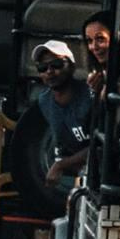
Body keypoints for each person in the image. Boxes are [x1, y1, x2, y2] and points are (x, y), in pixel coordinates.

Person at [30, 39, 94, 184]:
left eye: (56, 64)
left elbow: (100, 147)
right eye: (42, 67)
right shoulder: (44, 101)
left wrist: (61, 165)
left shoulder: (90, 96)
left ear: (71, 66)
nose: (49, 71)